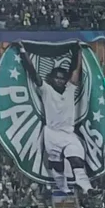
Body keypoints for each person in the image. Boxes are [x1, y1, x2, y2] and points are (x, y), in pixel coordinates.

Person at [16, 43, 92, 193]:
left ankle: (86, 187)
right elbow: (32, 72)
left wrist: (79, 51)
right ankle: (63, 187)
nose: (59, 80)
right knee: (56, 166)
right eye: (56, 78)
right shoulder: (46, 90)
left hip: (68, 133)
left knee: (76, 157)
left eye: (62, 78)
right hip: (52, 133)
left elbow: (75, 71)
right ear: (51, 79)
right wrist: (22, 50)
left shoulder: (70, 89)